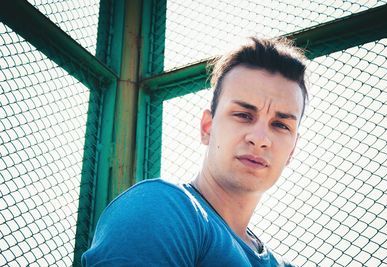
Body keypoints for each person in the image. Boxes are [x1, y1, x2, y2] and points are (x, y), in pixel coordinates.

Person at [82, 37, 308, 266]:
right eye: (243, 115)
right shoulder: (162, 207)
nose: (260, 139)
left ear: (292, 150)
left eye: (281, 125)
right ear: (207, 127)